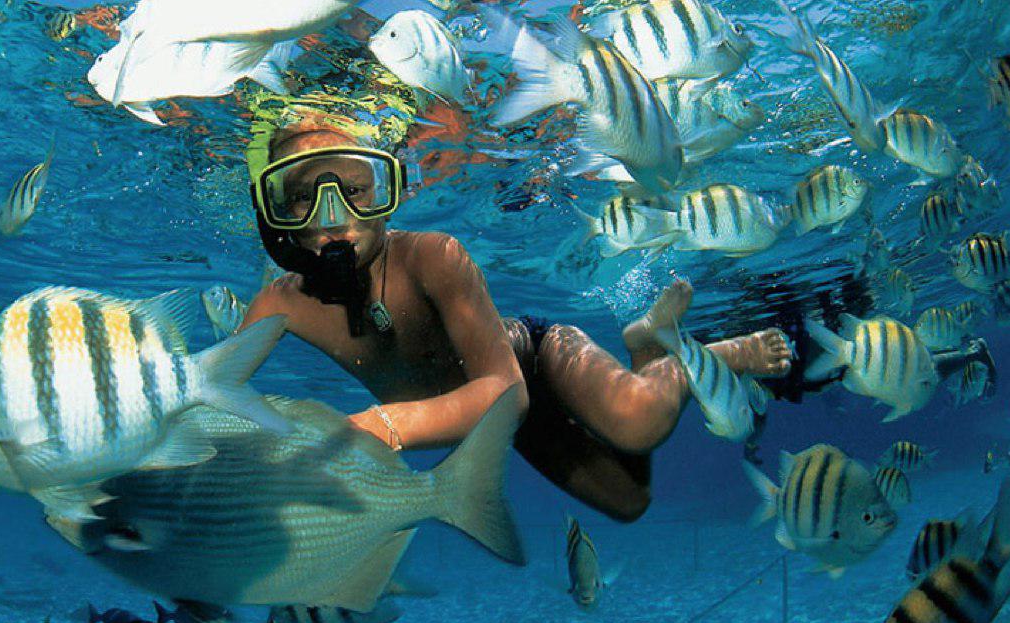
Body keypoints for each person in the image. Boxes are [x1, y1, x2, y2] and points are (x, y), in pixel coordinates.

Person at [238, 113, 793, 522]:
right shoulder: (280, 302)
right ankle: (646, 347)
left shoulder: (433, 255)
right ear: (277, 215)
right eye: (305, 199)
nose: (334, 216)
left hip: (535, 360)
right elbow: (205, 393)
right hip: (501, 423)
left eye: (356, 191)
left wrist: (383, 426)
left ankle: (706, 358)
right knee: (629, 502)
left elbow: (508, 391)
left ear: (388, 191)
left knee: (639, 421)